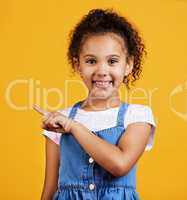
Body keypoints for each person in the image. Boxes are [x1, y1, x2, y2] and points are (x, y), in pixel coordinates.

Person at [35, 8, 156, 200]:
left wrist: (74, 127)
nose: (102, 70)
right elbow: (49, 189)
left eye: (112, 61)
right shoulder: (59, 120)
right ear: (78, 65)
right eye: (91, 61)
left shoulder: (138, 116)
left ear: (128, 65)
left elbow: (120, 164)